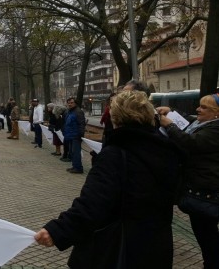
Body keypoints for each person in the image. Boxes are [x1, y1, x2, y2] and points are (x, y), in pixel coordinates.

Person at [35, 90, 182, 268]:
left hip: (119, 248)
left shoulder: (115, 154)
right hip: (157, 246)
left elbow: (93, 204)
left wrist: (58, 230)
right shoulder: (167, 150)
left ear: (116, 117)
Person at [157, 93, 219, 269]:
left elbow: (191, 142)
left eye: (204, 107)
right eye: (199, 105)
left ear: (217, 113)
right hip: (201, 187)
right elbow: (190, 120)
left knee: (207, 236)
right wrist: (172, 112)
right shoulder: (205, 123)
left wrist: (170, 126)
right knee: (205, 234)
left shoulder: (215, 129)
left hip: (205, 192)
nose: (198, 109)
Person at [61, 98, 86, 173]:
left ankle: (78, 168)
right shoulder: (69, 111)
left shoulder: (78, 112)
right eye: (68, 103)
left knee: (76, 152)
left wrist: (80, 134)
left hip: (76, 135)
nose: (69, 104)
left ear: (75, 103)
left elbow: (82, 124)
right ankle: (74, 166)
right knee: (72, 152)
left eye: (71, 103)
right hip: (70, 135)